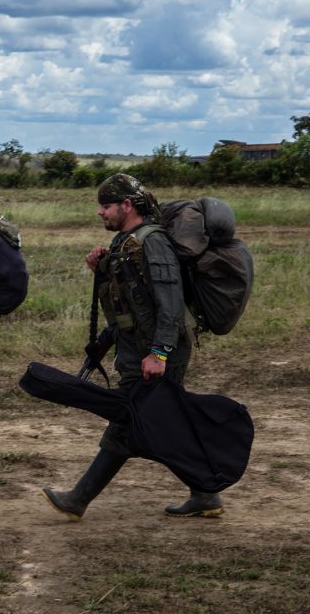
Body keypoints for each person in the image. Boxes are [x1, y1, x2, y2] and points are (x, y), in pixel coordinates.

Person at [41, 173, 224, 520]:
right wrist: (101, 270)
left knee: (129, 424)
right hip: (136, 350)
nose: (99, 212)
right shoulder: (125, 242)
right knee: (159, 423)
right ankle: (205, 493)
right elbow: (129, 301)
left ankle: (78, 499)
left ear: (127, 205)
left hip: (156, 352)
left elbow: (170, 304)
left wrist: (159, 353)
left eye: (106, 205)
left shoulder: (152, 242)